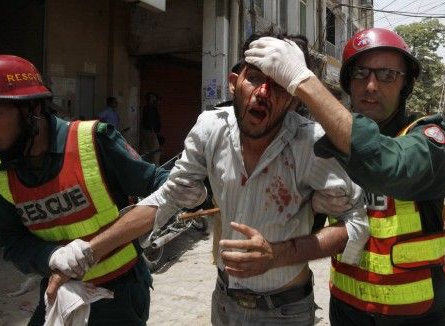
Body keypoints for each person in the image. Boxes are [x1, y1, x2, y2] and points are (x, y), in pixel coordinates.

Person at [47, 33, 370, 325]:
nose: (262, 93)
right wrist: (85, 253)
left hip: (285, 311)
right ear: (234, 82)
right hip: (224, 304)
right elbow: (169, 196)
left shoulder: (313, 144)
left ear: (295, 98)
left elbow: (355, 223)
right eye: (254, 78)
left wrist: (278, 255)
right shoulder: (210, 128)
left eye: (280, 85)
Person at [0, 54, 204, 325]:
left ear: (31, 109)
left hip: (120, 294)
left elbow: (161, 186)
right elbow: (12, 240)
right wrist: (51, 256)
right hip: (61, 291)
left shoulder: (93, 141)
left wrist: (93, 250)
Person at [244, 28, 445, 325]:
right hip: (346, 310)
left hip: (414, 315)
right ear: (348, 82)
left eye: (386, 75)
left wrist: (304, 80)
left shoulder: (430, 140)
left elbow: (386, 165)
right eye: (360, 73)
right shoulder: (327, 144)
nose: (371, 85)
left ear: (405, 85)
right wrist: (308, 204)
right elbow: (296, 228)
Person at [140, 92, 162, 166]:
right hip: (150, 132)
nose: (155, 99)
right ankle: (156, 168)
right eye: (153, 97)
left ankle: (145, 166)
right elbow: (150, 120)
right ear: (150, 99)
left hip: (148, 131)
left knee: (146, 150)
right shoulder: (149, 108)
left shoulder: (149, 107)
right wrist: (153, 131)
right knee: (156, 150)